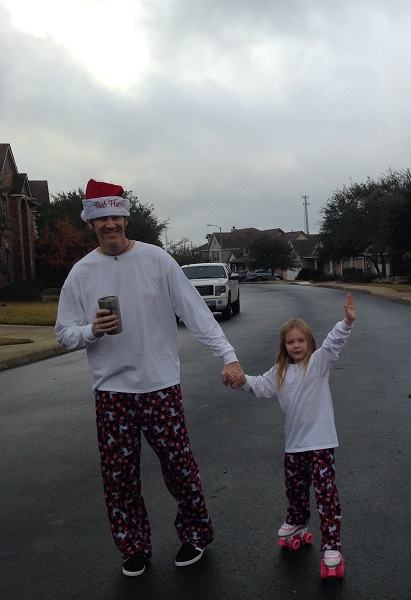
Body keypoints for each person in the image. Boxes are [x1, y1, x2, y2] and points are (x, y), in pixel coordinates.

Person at [55, 179, 245, 577]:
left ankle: (195, 534)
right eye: (102, 219)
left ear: (126, 218)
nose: (110, 224)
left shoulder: (157, 260)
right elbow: (64, 334)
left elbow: (195, 313)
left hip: (159, 386)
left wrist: (228, 356)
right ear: (91, 223)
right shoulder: (81, 273)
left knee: (179, 467)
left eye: (116, 217)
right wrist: (91, 331)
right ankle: (133, 547)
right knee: (119, 478)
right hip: (111, 391)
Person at [230, 293, 356, 579]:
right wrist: (240, 381)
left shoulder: (319, 363)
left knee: (325, 494)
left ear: (309, 342)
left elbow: (334, 342)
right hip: (295, 445)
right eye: (290, 342)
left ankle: (332, 546)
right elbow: (258, 386)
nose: (296, 345)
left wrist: (347, 322)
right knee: (295, 488)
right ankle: (298, 521)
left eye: (301, 340)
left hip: (321, 442)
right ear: (284, 346)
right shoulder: (281, 371)